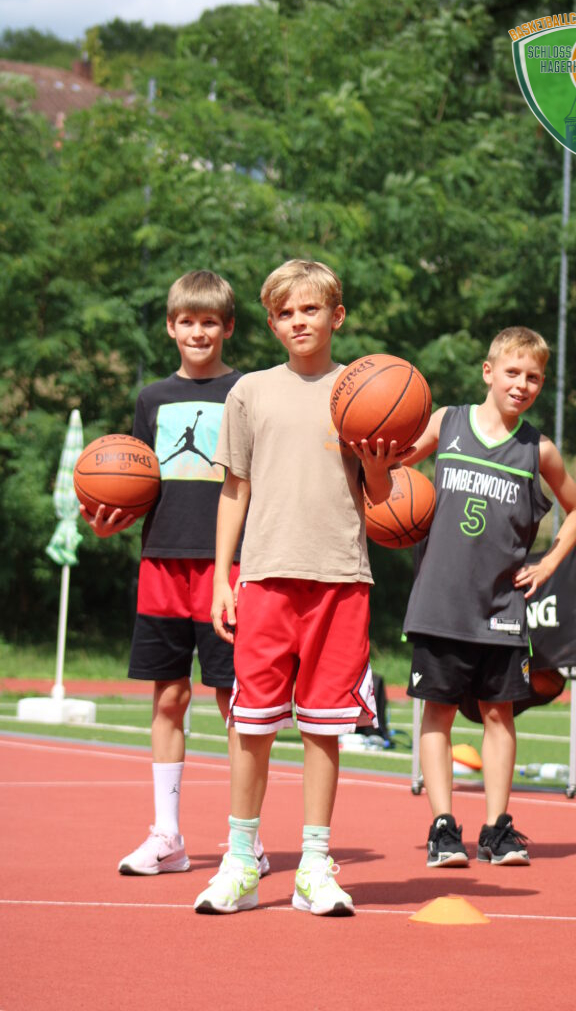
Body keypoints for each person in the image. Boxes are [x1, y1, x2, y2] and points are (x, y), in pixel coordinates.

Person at [193, 258, 404, 916]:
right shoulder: (250, 391)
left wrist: (377, 467)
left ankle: (314, 865)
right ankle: (240, 861)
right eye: (285, 313)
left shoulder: (366, 389)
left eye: (310, 309)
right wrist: (223, 575)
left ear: (336, 316)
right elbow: (234, 489)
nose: (298, 321)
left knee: (322, 728)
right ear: (270, 324)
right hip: (264, 578)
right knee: (251, 725)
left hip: (341, 577)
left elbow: (380, 499)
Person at [80, 270, 268, 878]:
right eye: (187, 321)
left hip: (227, 566)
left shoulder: (247, 392)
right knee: (168, 697)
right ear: (170, 326)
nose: (198, 332)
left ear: (228, 327)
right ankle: (168, 835)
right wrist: (108, 521)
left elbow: (255, 481)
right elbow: (135, 483)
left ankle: (246, 839)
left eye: (209, 321)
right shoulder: (151, 398)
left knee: (234, 700)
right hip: (161, 563)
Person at [403, 326, 576, 867]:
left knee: (498, 715)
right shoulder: (448, 422)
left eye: (533, 377)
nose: (522, 384)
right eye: (512, 372)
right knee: (436, 713)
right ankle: (443, 828)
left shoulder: (539, 449)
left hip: (501, 608)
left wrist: (548, 564)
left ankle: (496, 829)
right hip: (439, 602)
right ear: (489, 372)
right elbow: (394, 469)